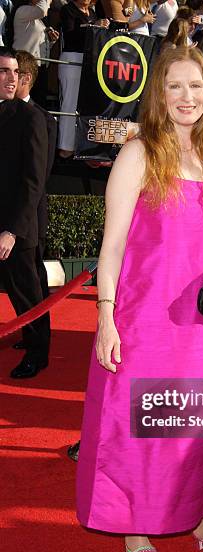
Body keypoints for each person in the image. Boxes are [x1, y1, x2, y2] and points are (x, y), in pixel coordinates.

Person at [76, 46, 203, 552]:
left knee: (196, 429)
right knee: (140, 426)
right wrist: (106, 315)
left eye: (197, 86)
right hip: (142, 318)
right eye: (176, 86)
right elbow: (110, 246)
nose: (187, 97)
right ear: (160, 92)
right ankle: (135, 523)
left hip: (194, 327)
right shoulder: (138, 153)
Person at [0, 47, 50, 378]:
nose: (11, 78)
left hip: (16, 228)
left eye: (14, 72)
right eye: (4, 71)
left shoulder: (30, 117)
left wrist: (12, 231)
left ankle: (38, 352)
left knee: (28, 296)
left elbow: (34, 182)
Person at [12, 50, 57, 354]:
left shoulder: (42, 119)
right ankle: (30, 337)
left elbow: (37, 178)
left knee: (31, 287)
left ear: (24, 78)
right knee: (20, 288)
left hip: (27, 220)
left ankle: (38, 348)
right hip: (11, 217)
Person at [58, 0, 109, 159]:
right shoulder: (68, 10)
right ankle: (65, 147)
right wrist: (93, 26)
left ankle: (81, 145)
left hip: (89, 60)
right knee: (70, 103)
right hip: (72, 59)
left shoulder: (92, 12)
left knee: (84, 105)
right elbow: (70, 34)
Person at [12, 0, 59, 106]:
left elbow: (38, 43)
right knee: (21, 102)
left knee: (37, 103)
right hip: (24, 65)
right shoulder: (22, 11)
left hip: (40, 66)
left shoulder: (40, 18)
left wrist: (51, 40)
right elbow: (42, 10)